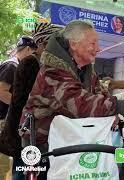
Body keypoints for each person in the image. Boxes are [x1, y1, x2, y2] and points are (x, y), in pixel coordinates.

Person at [19, 20, 124, 149]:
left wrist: (112, 114)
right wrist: (120, 105)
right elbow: (78, 105)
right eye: (93, 43)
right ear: (74, 44)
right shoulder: (52, 71)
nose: (98, 49)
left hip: (68, 140)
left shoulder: (86, 69)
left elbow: (99, 92)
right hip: (43, 144)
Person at [0, 23, 64, 180]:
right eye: (56, 43)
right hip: (26, 134)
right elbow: (28, 101)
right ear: (43, 43)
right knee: (23, 174)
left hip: (30, 132)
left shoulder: (39, 63)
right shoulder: (31, 63)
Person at [0, 37, 37, 129]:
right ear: (28, 49)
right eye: (34, 53)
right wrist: (22, 106)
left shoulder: (19, 67)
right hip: (3, 118)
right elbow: (1, 92)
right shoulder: (11, 66)